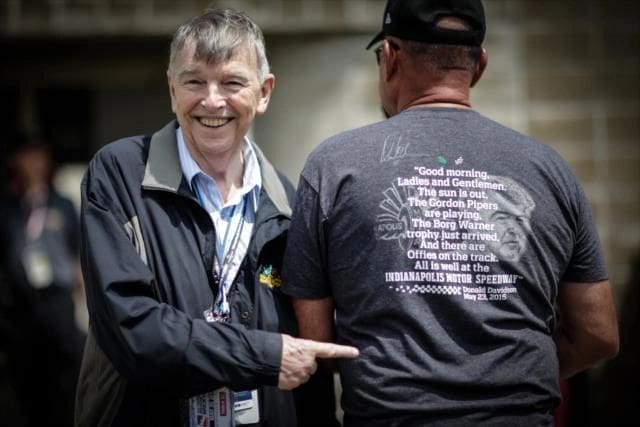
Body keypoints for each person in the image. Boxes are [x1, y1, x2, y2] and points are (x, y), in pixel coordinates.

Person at [281, 0, 619, 425]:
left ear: (389, 57)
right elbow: (599, 336)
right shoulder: (551, 170)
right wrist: (511, 379)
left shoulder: (332, 165)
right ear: (479, 65)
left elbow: (315, 341)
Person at [74, 8, 357, 427]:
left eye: (231, 83)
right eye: (194, 81)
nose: (211, 100)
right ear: (172, 90)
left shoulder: (291, 206)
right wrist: (262, 356)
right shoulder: (120, 174)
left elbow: (307, 356)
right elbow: (130, 329)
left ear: (264, 93)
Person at [0, 134, 86, 427]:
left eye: (40, 155)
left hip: (57, 301)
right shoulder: (8, 204)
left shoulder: (61, 203)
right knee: (24, 372)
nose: (34, 163)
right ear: (15, 161)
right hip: (18, 304)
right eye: (27, 156)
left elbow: (77, 251)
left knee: (65, 370)